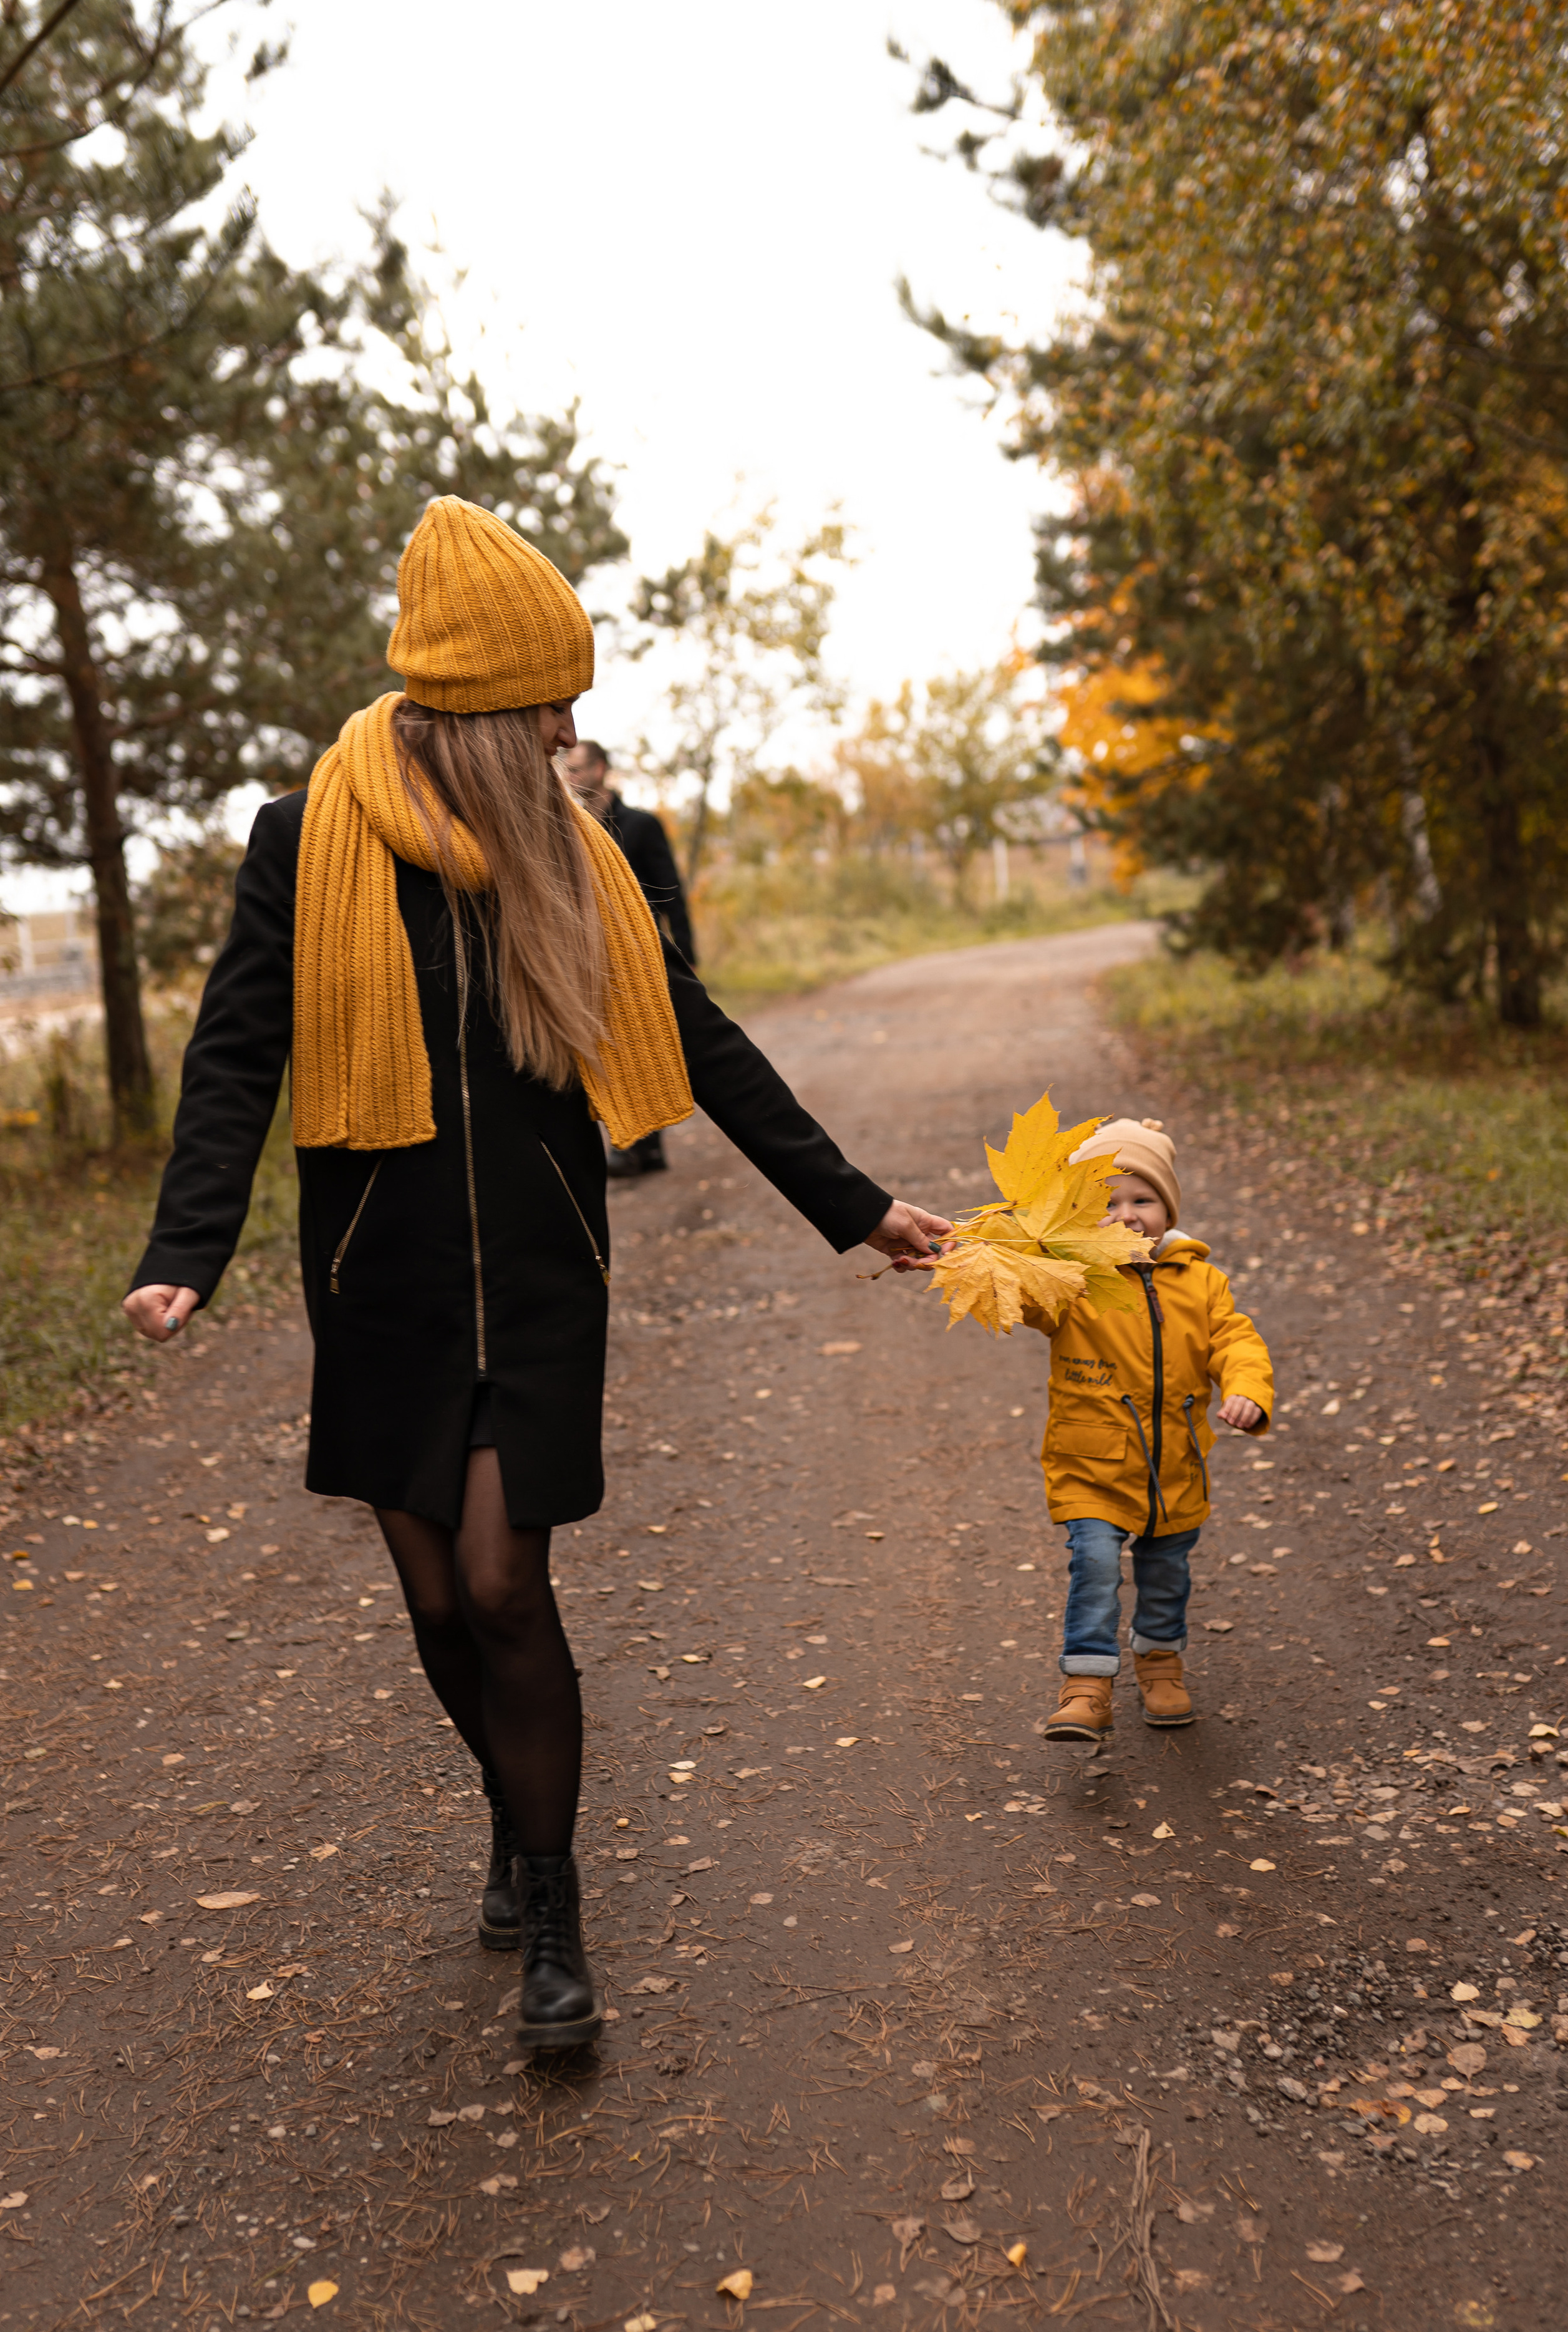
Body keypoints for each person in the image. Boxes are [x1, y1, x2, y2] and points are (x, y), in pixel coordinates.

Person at [122, 496, 949, 2050]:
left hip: (548, 1273)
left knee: (505, 1578)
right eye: (549, 701)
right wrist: (187, 1247)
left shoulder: (573, 855)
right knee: (436, 1602)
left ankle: (555, 1907)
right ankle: (511, 1810)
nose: (573, 728)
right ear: (474, 703)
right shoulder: (306, 843)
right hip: (383, 1278)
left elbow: (695, 1035)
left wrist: (854, 1205)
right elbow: (238, 1048)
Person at [1021, 1117, 1273, 1748]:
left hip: (1175, 1465)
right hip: (1092, 1463)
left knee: (1165, 1574)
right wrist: (1021, 1245)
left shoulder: (1201, 1280)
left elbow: (1235, 1340)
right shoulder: (1073, 1280)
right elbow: (1025, 1297)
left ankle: (1160, 1664)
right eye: (1106, 1203)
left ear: (1168, 1205)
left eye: (1141, 1200)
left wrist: (1246, 1390)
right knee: (1097, 1564)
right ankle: (1086, 1687)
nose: (1126, 1215)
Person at [561, 739, 694, 1180]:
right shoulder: (566, 825)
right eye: (568, 770)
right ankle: (636, 1145)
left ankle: (645, 1146)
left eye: (579, 769)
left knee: (645, 1041)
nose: (572, 777)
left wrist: (687, 953)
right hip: (586, 957)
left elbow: (671, 890)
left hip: (643, 953)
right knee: (608, 1047)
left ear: (600, 769)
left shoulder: (640, 825)